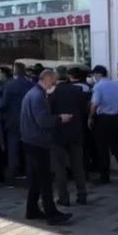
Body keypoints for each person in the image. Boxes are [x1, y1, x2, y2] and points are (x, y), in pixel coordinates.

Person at [20, 69, 74, 225]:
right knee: (44, 178)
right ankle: (51, 213)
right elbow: (43, 120)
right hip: (38, 141)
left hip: (31, 140)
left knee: (36, 179)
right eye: (53, 80)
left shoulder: (33, 94)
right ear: (47, 78)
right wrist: (60, 118)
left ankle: (32, 210)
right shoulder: (37, 96)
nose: (54, 84)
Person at [49, 68, 89, 206]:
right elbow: (85, 110)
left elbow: (48, 113)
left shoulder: (52, 93)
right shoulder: (77, 91)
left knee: (60, 168)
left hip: (58, 133)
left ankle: (64, 197)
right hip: (75, 132)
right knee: (78, 165)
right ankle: (82, 194)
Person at [89, 65, 118, 184]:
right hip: (115, 118)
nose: (94, 77)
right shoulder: (116, 85)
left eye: (94, 75)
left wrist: (90, 117)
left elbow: (95, 104)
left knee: (102, 148)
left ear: (98, 74)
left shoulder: (98, 86)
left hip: (102, 119)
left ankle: (104, 176)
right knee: (115, 146)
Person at [0, 62, 34, 185]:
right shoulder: (30, 85)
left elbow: (3, 104)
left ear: (14, 71)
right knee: (28, 148)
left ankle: (13, 175)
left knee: (13, 149)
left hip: (13, 121)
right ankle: (30, 173)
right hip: (28, 120)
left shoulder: (9, 85)